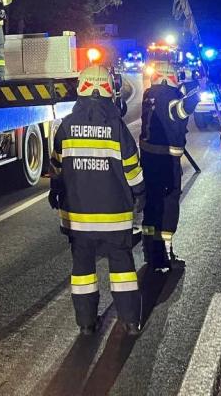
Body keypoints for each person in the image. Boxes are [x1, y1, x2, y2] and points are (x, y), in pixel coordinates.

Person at [49, 64, 145, 336]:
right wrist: (140, 193)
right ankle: (130, 322)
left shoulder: (66, 126)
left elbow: (56, 167)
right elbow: (132, 168)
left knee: (82, 271)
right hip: (114, 216)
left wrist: (55, 191)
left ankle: (86, 324)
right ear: (109, 90)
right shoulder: (116, 126)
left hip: (78, 217)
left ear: (81, 89)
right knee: (122, 267)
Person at [140, 61, 203, 271]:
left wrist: (189, 87)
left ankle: (150, 250)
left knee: (151, 203)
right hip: (166, 159)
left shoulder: (149, 94)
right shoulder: (169, 96)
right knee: (169, 204)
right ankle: (166, 253)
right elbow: (180, 110)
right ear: (170, 77)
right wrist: (197, 94)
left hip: (148, 157)